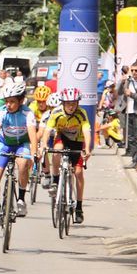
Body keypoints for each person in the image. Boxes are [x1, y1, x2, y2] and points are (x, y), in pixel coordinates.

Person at [0, 82, 38, 228]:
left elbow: (32, 134)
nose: (8, 104)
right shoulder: (1, 112)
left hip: (22, 145)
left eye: (12, 101)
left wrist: (34, 152)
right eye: (6, 101)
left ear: (21, 101)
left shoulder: (28, 113)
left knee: (23, 164)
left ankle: (21, 199)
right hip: (5, 144)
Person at [41, 87, 92, 223]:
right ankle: (55, 182)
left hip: (78, 142)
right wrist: (44, 144)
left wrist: (87, 148)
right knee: (56, 151)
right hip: (62, 139)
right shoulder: (56, 112)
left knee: (78, 173)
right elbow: (48, 129)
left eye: (74, 103)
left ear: (78, 103)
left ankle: (79, 207)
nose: (71, 106)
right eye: (68, 103)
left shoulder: (82, 113)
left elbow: (87, 131)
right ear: (63, 103)